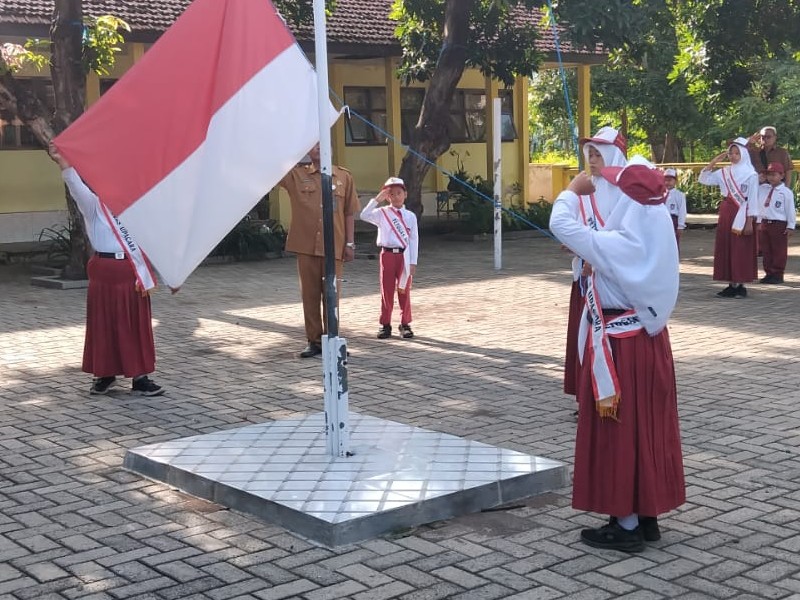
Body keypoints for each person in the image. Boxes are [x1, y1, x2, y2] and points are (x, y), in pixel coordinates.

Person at [550, 155, 684, 553]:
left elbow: (560, 223)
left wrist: (571, 192)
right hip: (649, 343)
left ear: (631, 201)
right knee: (647, 429)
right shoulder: (652, 234)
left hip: (621, 348)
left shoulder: (622, 243)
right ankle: (646, 514)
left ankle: (625, 524)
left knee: (620, 431)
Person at [48, 143, 167, 397]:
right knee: (104, 324)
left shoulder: (137, 207)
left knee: (134, 325)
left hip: (130, 271)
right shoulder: (94, 206)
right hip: (104, 271)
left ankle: (140, 377)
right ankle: (105, 374)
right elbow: (76, 187)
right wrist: (63, 163)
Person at [563, 126, 627, 397]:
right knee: (584, 338)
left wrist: (598, 259)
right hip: (585, 280)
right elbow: (576, 228)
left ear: (613, 156)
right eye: (589, 154)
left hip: (615, 289)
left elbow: (628, 240)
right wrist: (573, 246)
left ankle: (610, 394)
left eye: (598, 154)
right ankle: (587, 397)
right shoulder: (586, 190)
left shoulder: (628, 194)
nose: (591, 160)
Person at [279, 143, 360, 358]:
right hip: (306, 246)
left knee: (332, 295)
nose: (318, 148)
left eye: (322, 144)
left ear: (331, 149)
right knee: (310, 295)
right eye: (313, 145)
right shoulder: (296, 175)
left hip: (334, 245)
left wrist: (350, 243)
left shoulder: (343, 177)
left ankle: (333, 339)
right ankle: (314, 341)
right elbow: (276, 169)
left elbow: (349, 212)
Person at [698, 138, 759, 299]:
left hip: (742, 212)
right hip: (727, 211)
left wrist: (750, 221)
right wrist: (714, 162)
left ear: (743, 154)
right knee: (727, 246)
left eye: (737, 153)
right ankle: (731, 284)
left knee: (740, 248)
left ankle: (741, 284)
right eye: (731, 153)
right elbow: (703, 179)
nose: (733, 156)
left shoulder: (751, 175)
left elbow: (753, 199)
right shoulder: (724, 172)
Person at [359, 177, 419, 339]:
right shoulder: (382, 213)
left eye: (399, 193)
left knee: (404, 289)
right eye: (391, 194)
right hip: (387, 255)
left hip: (404, 255)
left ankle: (405, 323)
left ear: (405, 194)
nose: (396, 197)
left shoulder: (410, 216)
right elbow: (364, 215)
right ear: (387, 197)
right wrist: (376, 200)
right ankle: (385, 324)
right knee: (386, 290)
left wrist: (413, 261)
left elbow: (414, 239)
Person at [757, 162, 796, 283]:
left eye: (774, 175)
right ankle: (769, 273)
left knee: (778, 250)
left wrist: (790, 226)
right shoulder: (763, 188)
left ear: (782, 176)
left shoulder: (786, 192)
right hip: (765, 222)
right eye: (769, 174)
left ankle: (778, 274)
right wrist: (758, 179)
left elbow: (790, 209)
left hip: (779, 224)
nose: (771, 177)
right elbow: (751, 190)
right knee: (766, 250)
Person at [663, 168, 687, 249]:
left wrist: (680, 226)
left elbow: (682, 211)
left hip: (673, 220)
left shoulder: (679, 195)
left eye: (670, 180)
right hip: (661, 219)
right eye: (665, 180)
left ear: (675, 181)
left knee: (673, 244)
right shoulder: (660, 194)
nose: (667, 182)